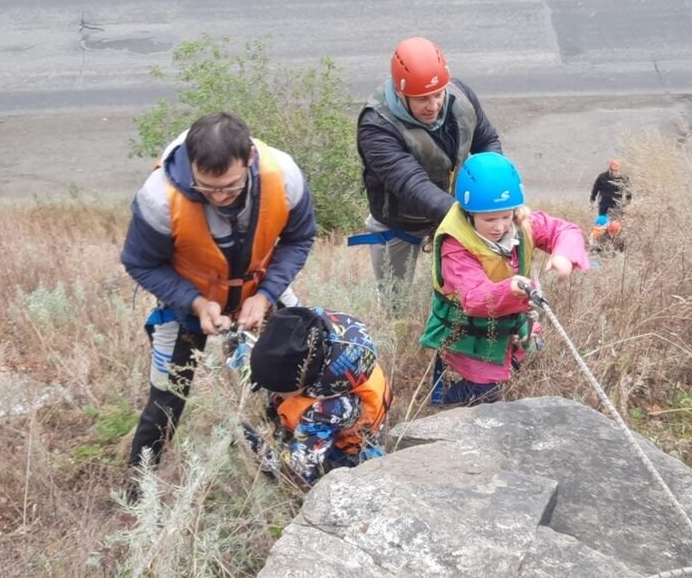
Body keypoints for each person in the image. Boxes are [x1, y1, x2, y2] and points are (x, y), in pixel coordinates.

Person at [121, 111, 317, 470]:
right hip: (185, 300)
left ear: (249, 160)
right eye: (206, 188)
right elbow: (140, 262)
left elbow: (299, 237)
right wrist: (194, 302)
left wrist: (267, 294)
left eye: (229, 186)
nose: (219, 197)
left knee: (295, 372)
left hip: (259, 289)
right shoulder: (159, 199)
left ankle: (296, 464)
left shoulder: (284, 176)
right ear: (191, 166)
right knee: (167, 397)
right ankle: (138, 488)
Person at [420, 153, 589, 406]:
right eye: (489, 219)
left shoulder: (522, 224)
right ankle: (445, 402)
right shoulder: (455, 245)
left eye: (505, 216)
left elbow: (563, 230)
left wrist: (564, 254)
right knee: (484, 390)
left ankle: (460, 393)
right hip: (468, 330)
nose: (499, 227)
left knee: (499, 374)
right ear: (469, 213)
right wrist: (511, 289)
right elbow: (474, 298)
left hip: (504, 323)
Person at [350, 36, 504, 307]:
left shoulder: (461, 96)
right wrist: (466, 216)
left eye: (438, 94)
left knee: (464, 296)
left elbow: (486, 141)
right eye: (421, 98)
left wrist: (496, 194)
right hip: (400, 224)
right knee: (396, 304)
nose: (433, 105)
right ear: (401, 93)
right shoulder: (376, 126)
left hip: (454, 210)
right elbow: (411, 184)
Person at [243, 306, 392, 487]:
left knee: (359, 476)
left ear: (303, 385)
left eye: (278, 389)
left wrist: (260, 450)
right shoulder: (310, 338)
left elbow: (296, 471)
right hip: (329, 407)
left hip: (349, 447)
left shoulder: (329, 409)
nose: (274, 392)